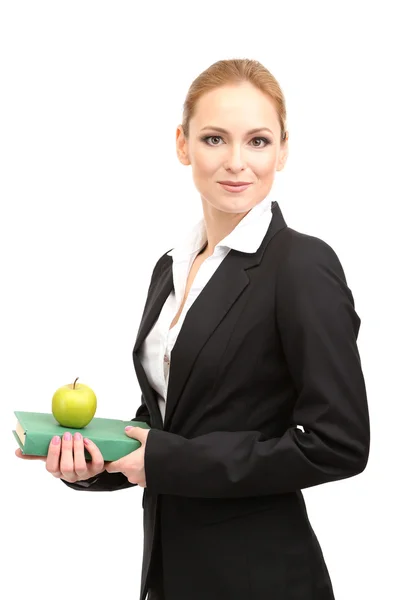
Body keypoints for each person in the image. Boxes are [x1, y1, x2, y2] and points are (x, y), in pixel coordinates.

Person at [16, 58, 370, 600]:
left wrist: (164, 461)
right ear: (182, 145)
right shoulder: (173, 266)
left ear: (283, 149)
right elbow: (168, 424)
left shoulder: (301, 265)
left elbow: (337, 445)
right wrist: (93, 463)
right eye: (213, 138)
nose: (236, 162)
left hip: (261, 578)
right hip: (168, 572)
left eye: (257, 141)